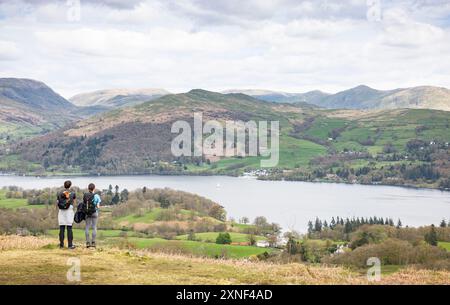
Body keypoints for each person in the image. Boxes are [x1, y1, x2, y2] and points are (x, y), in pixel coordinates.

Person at [57, 180, 76, 249]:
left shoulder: (59, 193)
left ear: (64, 185)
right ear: (70, 185)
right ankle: (70, 245)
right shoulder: (73, 193)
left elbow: (57, 202)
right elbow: (73, 201)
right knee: (69, 228)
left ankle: (61, 245)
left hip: (61, 211)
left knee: (61, 228)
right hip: (69, 211)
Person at [83, 183, 101, 248]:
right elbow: (98, 206)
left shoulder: (85, 195)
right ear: (94, 188)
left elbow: (84, 204)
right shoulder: (96, 196)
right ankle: (93, 242)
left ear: (88, 188)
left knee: (87, 227)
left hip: (87, 213)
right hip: (94, 213)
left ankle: (87, 242)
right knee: (94, 227)